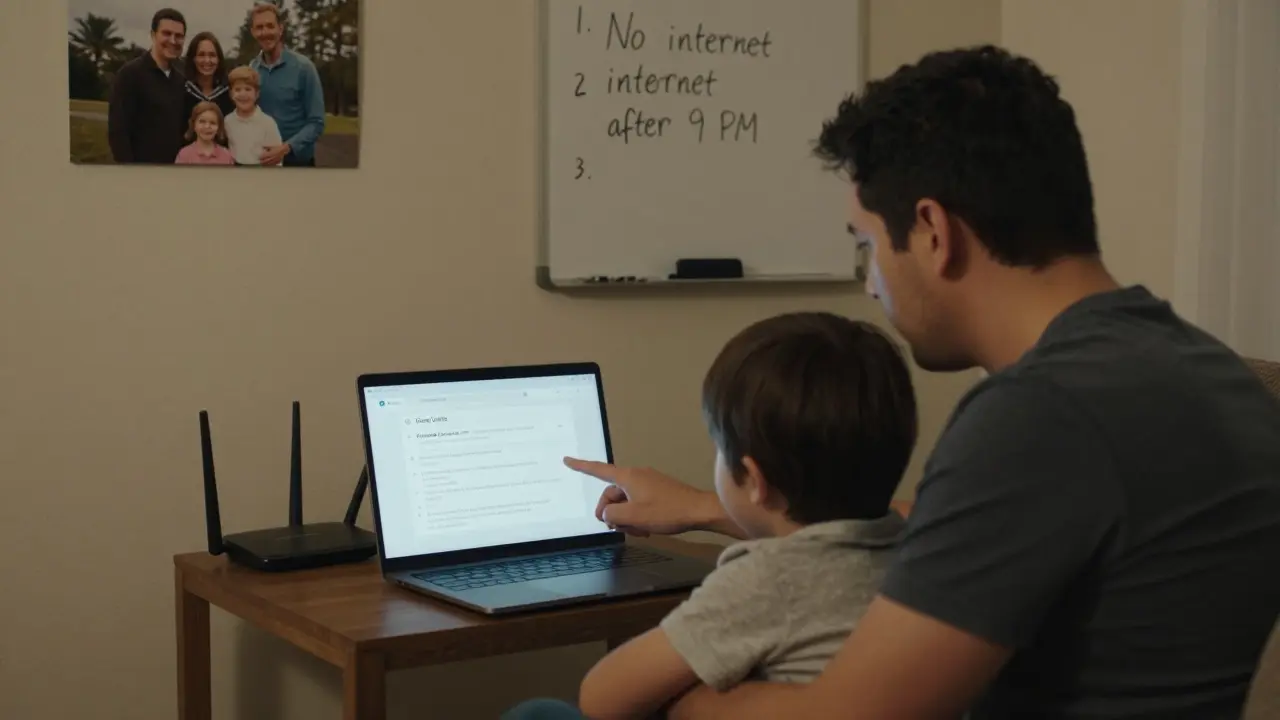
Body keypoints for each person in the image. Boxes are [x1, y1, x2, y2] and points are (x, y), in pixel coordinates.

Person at [507, 44, 1280, 719]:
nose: (873, 283)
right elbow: (970, 526)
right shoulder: (1212, 375)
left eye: (869, 245)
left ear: (935, 233)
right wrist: (710, 508)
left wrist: (689, 700)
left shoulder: (1039, 417)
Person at [574, 312, 917, 720]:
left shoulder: (767, 580)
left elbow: (601, 697)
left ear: (754, 479)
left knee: (538, 712)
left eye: (719, 447)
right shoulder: (920, 550)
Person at [246, 2, 326, 167]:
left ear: (280, 29)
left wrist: (286, 148)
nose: (265, 32)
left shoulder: (304, 68)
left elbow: (316, 122)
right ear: (253, 32)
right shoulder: (251, 70)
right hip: (263, 164)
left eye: (270, 26)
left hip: (299, 164)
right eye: (259, 27)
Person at [106, 8, 187, 163]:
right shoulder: (130, 74)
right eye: (166, 33)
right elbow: (118, 132)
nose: (173, 40)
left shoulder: (181, 80)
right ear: (153, 35)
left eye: (179, 36)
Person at [222, 66, 282, 167]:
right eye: (237, 90)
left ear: (257, 93)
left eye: (248, 89)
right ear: (231, 94)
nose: (243, 94)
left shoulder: (268, 123)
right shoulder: (228, 121)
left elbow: (276, 157)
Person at [182, 32, 235, 127]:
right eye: (201, 55)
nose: (207, 60)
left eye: (212, 55)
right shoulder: (182, 92)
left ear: (219, 59)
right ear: (193, 58)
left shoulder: (230, 94)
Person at [175, 102, 233, 166]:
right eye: (202, 121)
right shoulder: (184, 154)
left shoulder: (226, 155)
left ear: (218, 128)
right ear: (194, 125)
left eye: (212, 123)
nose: (207, 126)